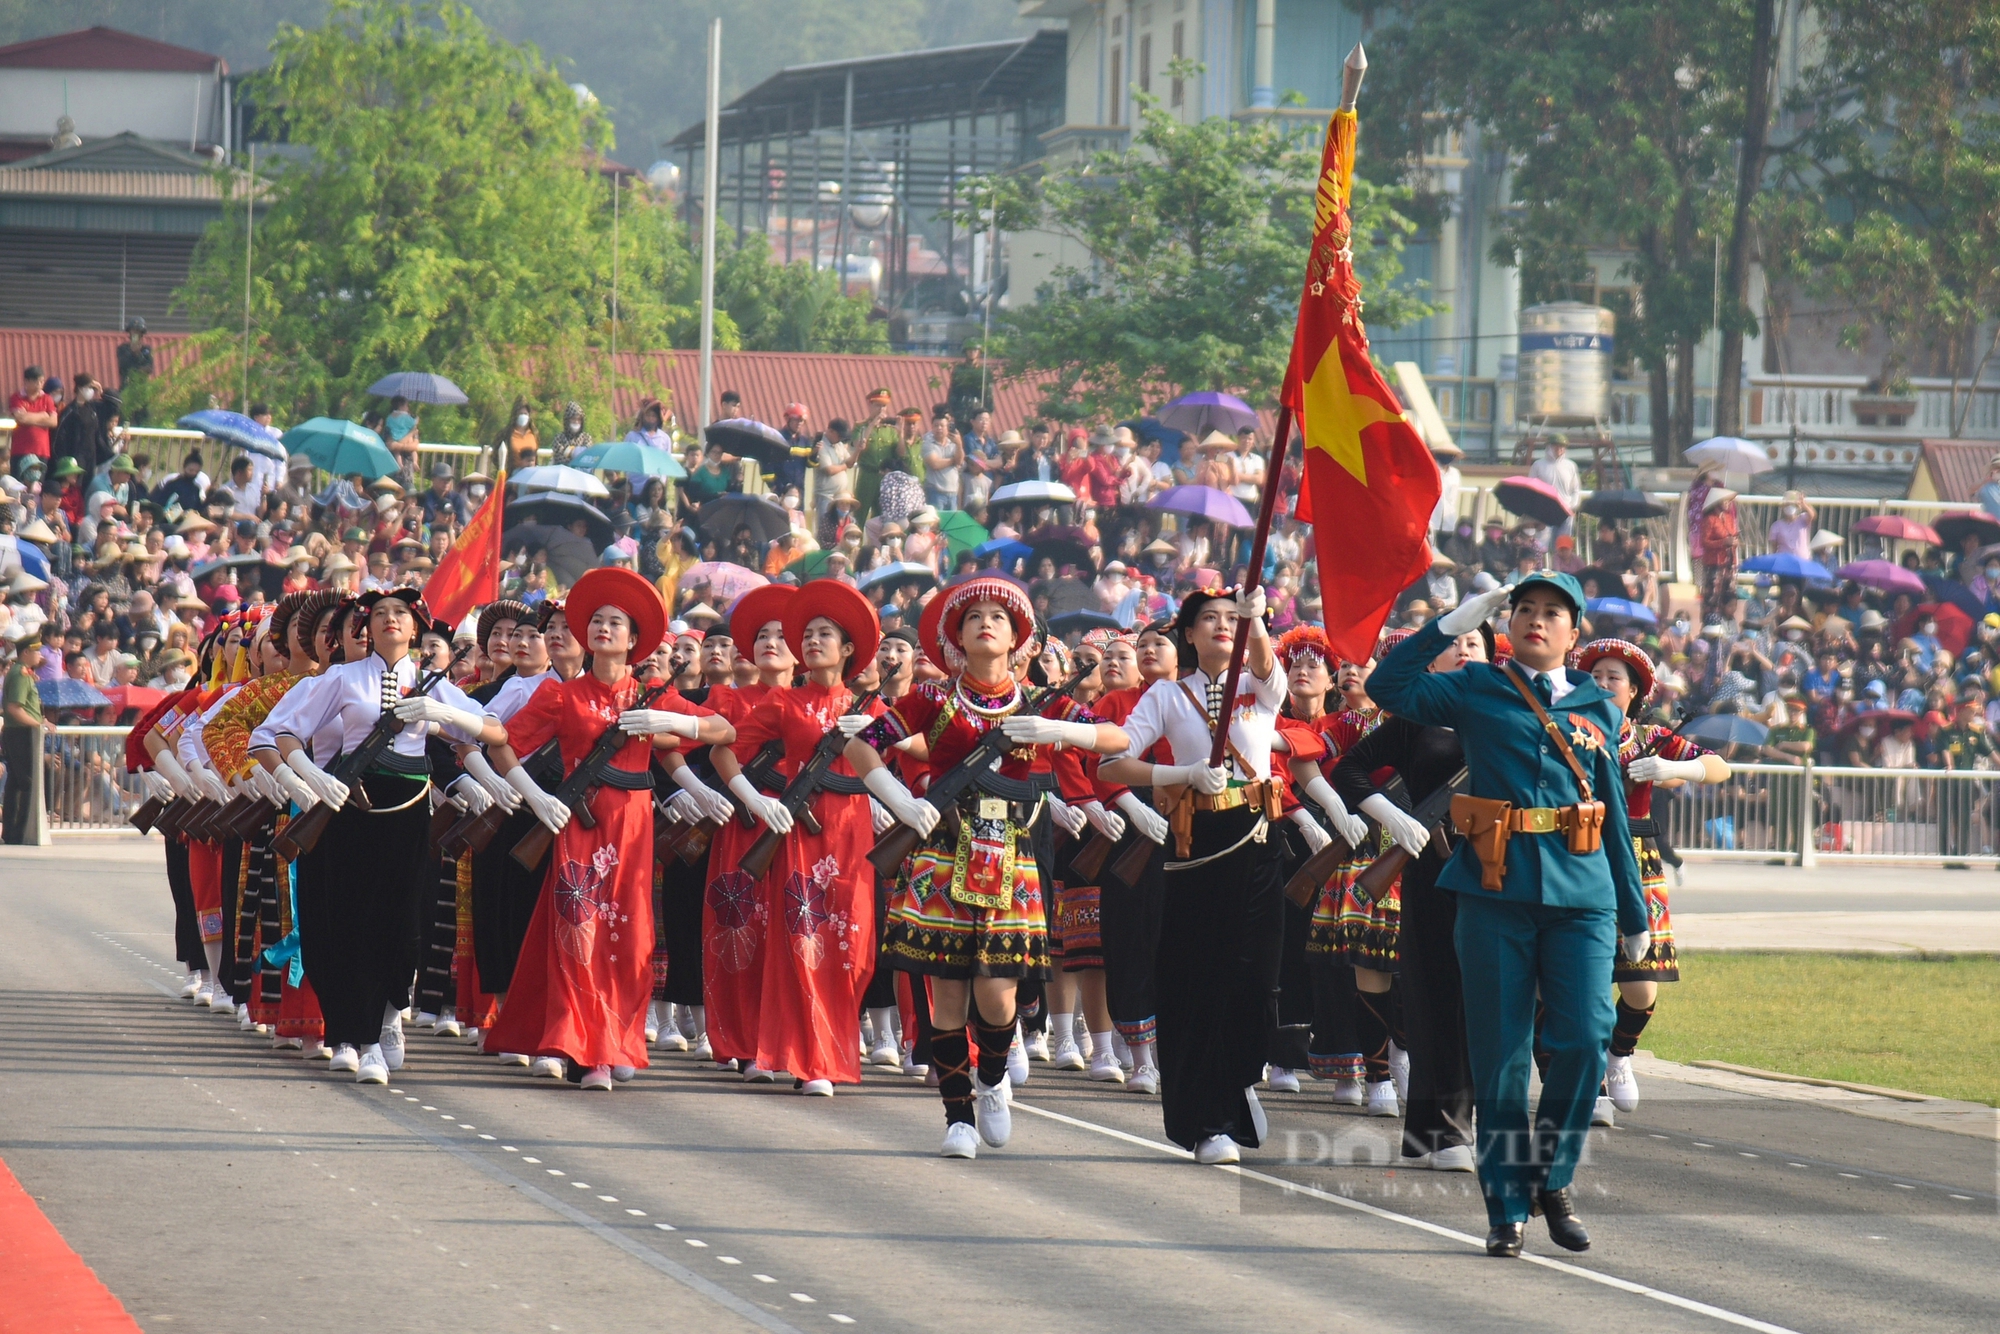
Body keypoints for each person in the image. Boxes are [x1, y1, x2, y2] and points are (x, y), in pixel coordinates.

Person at [1366, 571, 1647, 1258]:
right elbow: (1388, 688)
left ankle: (1552, 1177)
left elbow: (1608, 809)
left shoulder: (1596, 704)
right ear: (1508, 620)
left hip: (1582, 893)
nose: (1537, 621)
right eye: (1525, 609)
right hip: (1494, 891)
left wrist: (1633, 908)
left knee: (1583, 1038)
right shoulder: (1477, 686)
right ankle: (1506, 1208)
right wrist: (1451, 622)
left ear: (1573, 633)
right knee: (1501, 1057)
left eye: (1554, 613)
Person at [845, 575, 1129, 1158]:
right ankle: (957, 1117)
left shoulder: (1042, 701)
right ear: (956, 636)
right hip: (944, 852)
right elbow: (859, 745)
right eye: (972, 617)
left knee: (998, 996)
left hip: (1010, 854)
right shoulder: (934, 698)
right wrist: (900, 801)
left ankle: (994, 1079)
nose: (985, 623)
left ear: (1018, 636)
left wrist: (1055, 729)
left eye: (998, 617)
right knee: (946, 997)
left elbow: (1117, 737)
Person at [481, 569, 732, 1090]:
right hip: (581, 820)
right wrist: (534, 793)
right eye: (595, 619)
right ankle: (582, 1047)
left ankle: (617, 1038)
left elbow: (722, 731)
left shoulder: (649, 696)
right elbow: (503, 740)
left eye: (615, 622)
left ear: (634, 639)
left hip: (635, 823)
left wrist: (673, 725)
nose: (603, 628)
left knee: (633, 933)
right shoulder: (561, 695)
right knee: (579, 928)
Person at [254, 589, 493, 1084]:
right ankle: (352, 1036)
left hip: (407, 814)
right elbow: (281, 732)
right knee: (347, 921)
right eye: (380, 614)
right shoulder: (342, 677)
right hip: (351, 807)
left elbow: (494, 732)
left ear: (414, 630)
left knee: (404, 923)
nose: (389, 620)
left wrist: (445, 715)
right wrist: (306, 776)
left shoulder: (430, 684)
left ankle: (386, 1020)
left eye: (400, 615)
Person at [1100, 583, 1286, 1164]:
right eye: (1209, 618)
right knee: (1199, 979)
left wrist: (1257, 623)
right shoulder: (1166, 695)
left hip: (1259, 839)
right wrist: (1175, 775)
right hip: (1198, 843)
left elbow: (1265, 667)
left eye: (1232, 617)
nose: (1222, 626)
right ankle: (1209, 1119)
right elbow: (1115, 761)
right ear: (1189, 632)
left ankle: (1237, 1077)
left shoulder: (1259, 685)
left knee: (1256, 978)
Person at [717, 579, 883, 1094]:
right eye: (806, 633)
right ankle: (810, 1059)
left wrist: (892, 800)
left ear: (848, 649)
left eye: (824, 634)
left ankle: (831, 1046)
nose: (812, 641)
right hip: (801, 834)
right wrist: (752, 796)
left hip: (853, 836)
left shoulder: (867, 707)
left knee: (854, 949)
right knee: (803, 940)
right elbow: (727, 746)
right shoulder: (785, 702)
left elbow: (909, 752)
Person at [1574, 639, 1727, 1122]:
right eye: (1594, 676)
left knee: (1641, 988)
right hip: (1579, 853)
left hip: (1638, 861)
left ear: (1635, 691)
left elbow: (1719, 767)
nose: (1601, 685)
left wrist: (1671, 767)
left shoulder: (1650, 737)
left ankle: (1619, 1056)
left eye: (1613, 678)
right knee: (1584, 976)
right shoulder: (1566, 732)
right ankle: (1591, 1082)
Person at [3, 633, 53, 844]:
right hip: (21, 734)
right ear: (26, 652)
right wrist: (38, 724)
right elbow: (14, 708)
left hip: (19, 733)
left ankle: (14, 832)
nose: (39, 654)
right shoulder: (21, 674)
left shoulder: (22, 672)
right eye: (36, 651)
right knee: (26, 782)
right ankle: (20, 831)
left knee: (16, 782)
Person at [1529, 436, 1582, 534]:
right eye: (1556, 446)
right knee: (1542, 546)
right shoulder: (1538, 465)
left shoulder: (1571, 466)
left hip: (1565, 512)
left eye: (1562, 446)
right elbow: (1530, 490)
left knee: (1562, 546)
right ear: (1549, 447)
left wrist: (1571, 506)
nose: (1559, 449)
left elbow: (1576, 490)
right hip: (1544, 513)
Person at [9, 366, 57, 469]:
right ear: (27, 381)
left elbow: (53, 421)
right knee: (19, 483)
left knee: (38, 484)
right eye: (37, 381)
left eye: (42, 381)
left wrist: (29, 417)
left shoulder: (47, 399)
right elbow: (21, 418)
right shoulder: (17, 398)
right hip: (21, 450)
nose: (40, 384)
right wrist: (43, 415)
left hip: (42, 451)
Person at [920, 405, 962, 512]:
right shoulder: (927, 442)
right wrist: (953, 461)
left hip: (953, 492)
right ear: (932, 427)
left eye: (942, 426)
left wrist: (959, 444)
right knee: (937, 522)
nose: (939, 428)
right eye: (936, 425)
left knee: (951, 525)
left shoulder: (953, 440)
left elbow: (960, 460)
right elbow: (935, 464)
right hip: (936, 491)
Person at [116, 317, 154, 392]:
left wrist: (138, 354)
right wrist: (132, 352)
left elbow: (149, 368)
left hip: (142, 389)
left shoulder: (147, 349)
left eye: (138, 331)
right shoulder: (122, 348)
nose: (135, 333)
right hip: (126, 387)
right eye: (133, 331)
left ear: (141, 334)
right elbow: (123, 366)